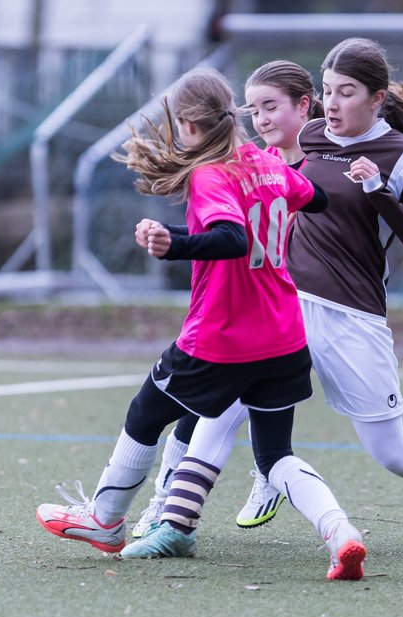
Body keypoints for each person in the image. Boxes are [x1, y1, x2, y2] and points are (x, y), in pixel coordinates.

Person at [131, 43, 403, 557]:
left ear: (377, 98)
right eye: (328, 90)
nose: (333, 103)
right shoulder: (306, 135)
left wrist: (380, 191)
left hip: (351, 315)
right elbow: (254, 163)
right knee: (215, 414)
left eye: (347, 92)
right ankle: (173, 523)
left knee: (393, 452)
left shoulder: (399, 154)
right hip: (280, 308)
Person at [35, 67, 367, 580]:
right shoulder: (265, 161)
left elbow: (232, 239)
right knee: (276, 455)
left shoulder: (212, 174)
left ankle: (105, 521)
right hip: (282, 338)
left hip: (220, 339)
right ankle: (341, 533)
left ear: (191, 124)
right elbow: (315, 197)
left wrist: (174, 243)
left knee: (145, 413)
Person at [127, 60, 323, 537]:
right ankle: (170, 515)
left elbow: (306, 205)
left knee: (388, 446)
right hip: (255, 316)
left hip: (287, 315)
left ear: (304, 107)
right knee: (200, 419)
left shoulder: (293, 164)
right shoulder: (257, 161)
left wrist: (174, 243)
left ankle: (172, 516)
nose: (261, 118)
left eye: (270, 106)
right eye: (253, 109)